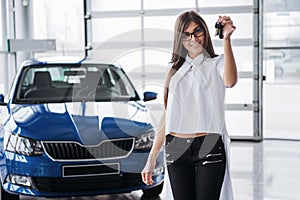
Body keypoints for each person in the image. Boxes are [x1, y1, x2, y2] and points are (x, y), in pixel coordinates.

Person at [141, 10, 237, 200]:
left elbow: (230, 81)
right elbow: (166, 117)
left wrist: (226, 39)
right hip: (176, 149)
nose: (193, 38)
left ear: (206, 33)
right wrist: (152, 158)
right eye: (186, 34)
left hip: (208, 146)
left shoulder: (217, 63)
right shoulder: (174, 70)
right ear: (180, 39)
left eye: (198, 31)